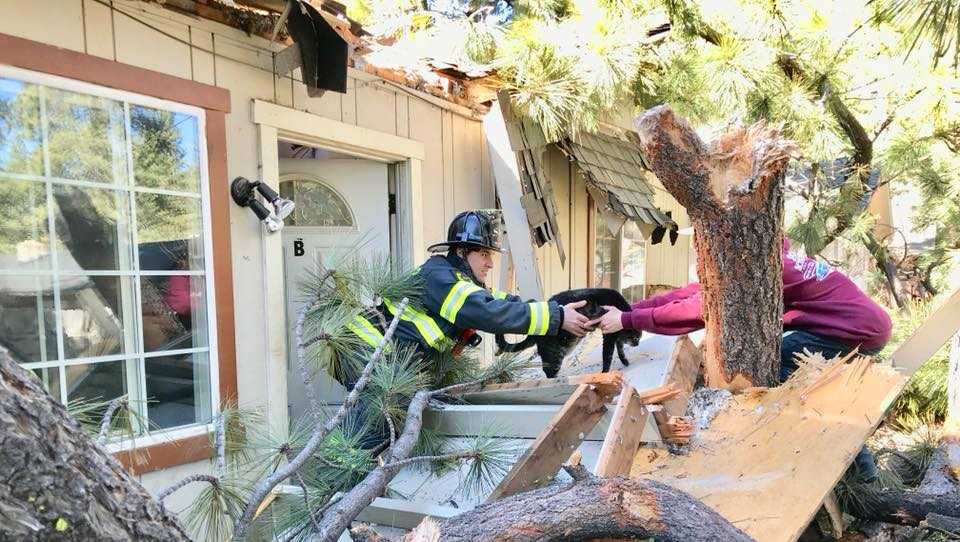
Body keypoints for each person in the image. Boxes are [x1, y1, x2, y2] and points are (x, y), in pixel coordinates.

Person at [595, 238, 892, 481]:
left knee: (787, 375)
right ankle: (853, 468)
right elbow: (692, 293)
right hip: (855, 326)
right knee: (785, 369)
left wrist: (627, 319)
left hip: (855, 331)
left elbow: (697, 310)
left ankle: (855, 472)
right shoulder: (761, 260)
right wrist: (630, 310)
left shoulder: (759, 271)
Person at [339, 210, 593, 445]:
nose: (490, 264)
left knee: (384, 424)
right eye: (484, 254)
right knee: (372, 428)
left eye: (490, 255)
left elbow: (499, 302)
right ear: (461, 252)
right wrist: (555, 318)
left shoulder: (459, 280)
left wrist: (557, 310)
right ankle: (337, 484)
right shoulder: (441, 278)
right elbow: (486, 312)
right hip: (364, 350)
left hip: (383, 356)